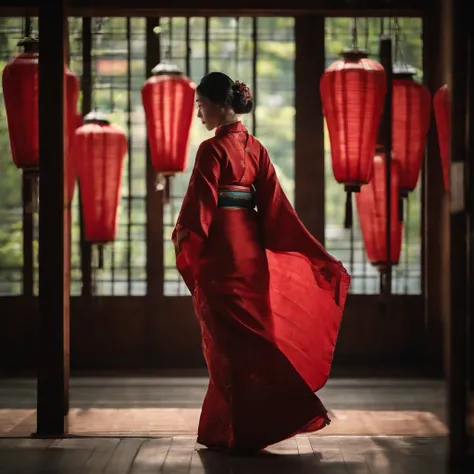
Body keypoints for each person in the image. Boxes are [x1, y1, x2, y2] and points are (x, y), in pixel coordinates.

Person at [172, 72, 351, 454]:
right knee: (247, 339)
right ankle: (231, 429)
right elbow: (276, 210)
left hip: (223, 250)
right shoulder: (256, 148)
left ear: (221, 104)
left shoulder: (211, 150)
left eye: (200, 105)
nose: (198, 113)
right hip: (249, 252)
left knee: (230, 343)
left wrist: (185, 238)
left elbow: (200, 208)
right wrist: (311, 252)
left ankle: (268, 419)